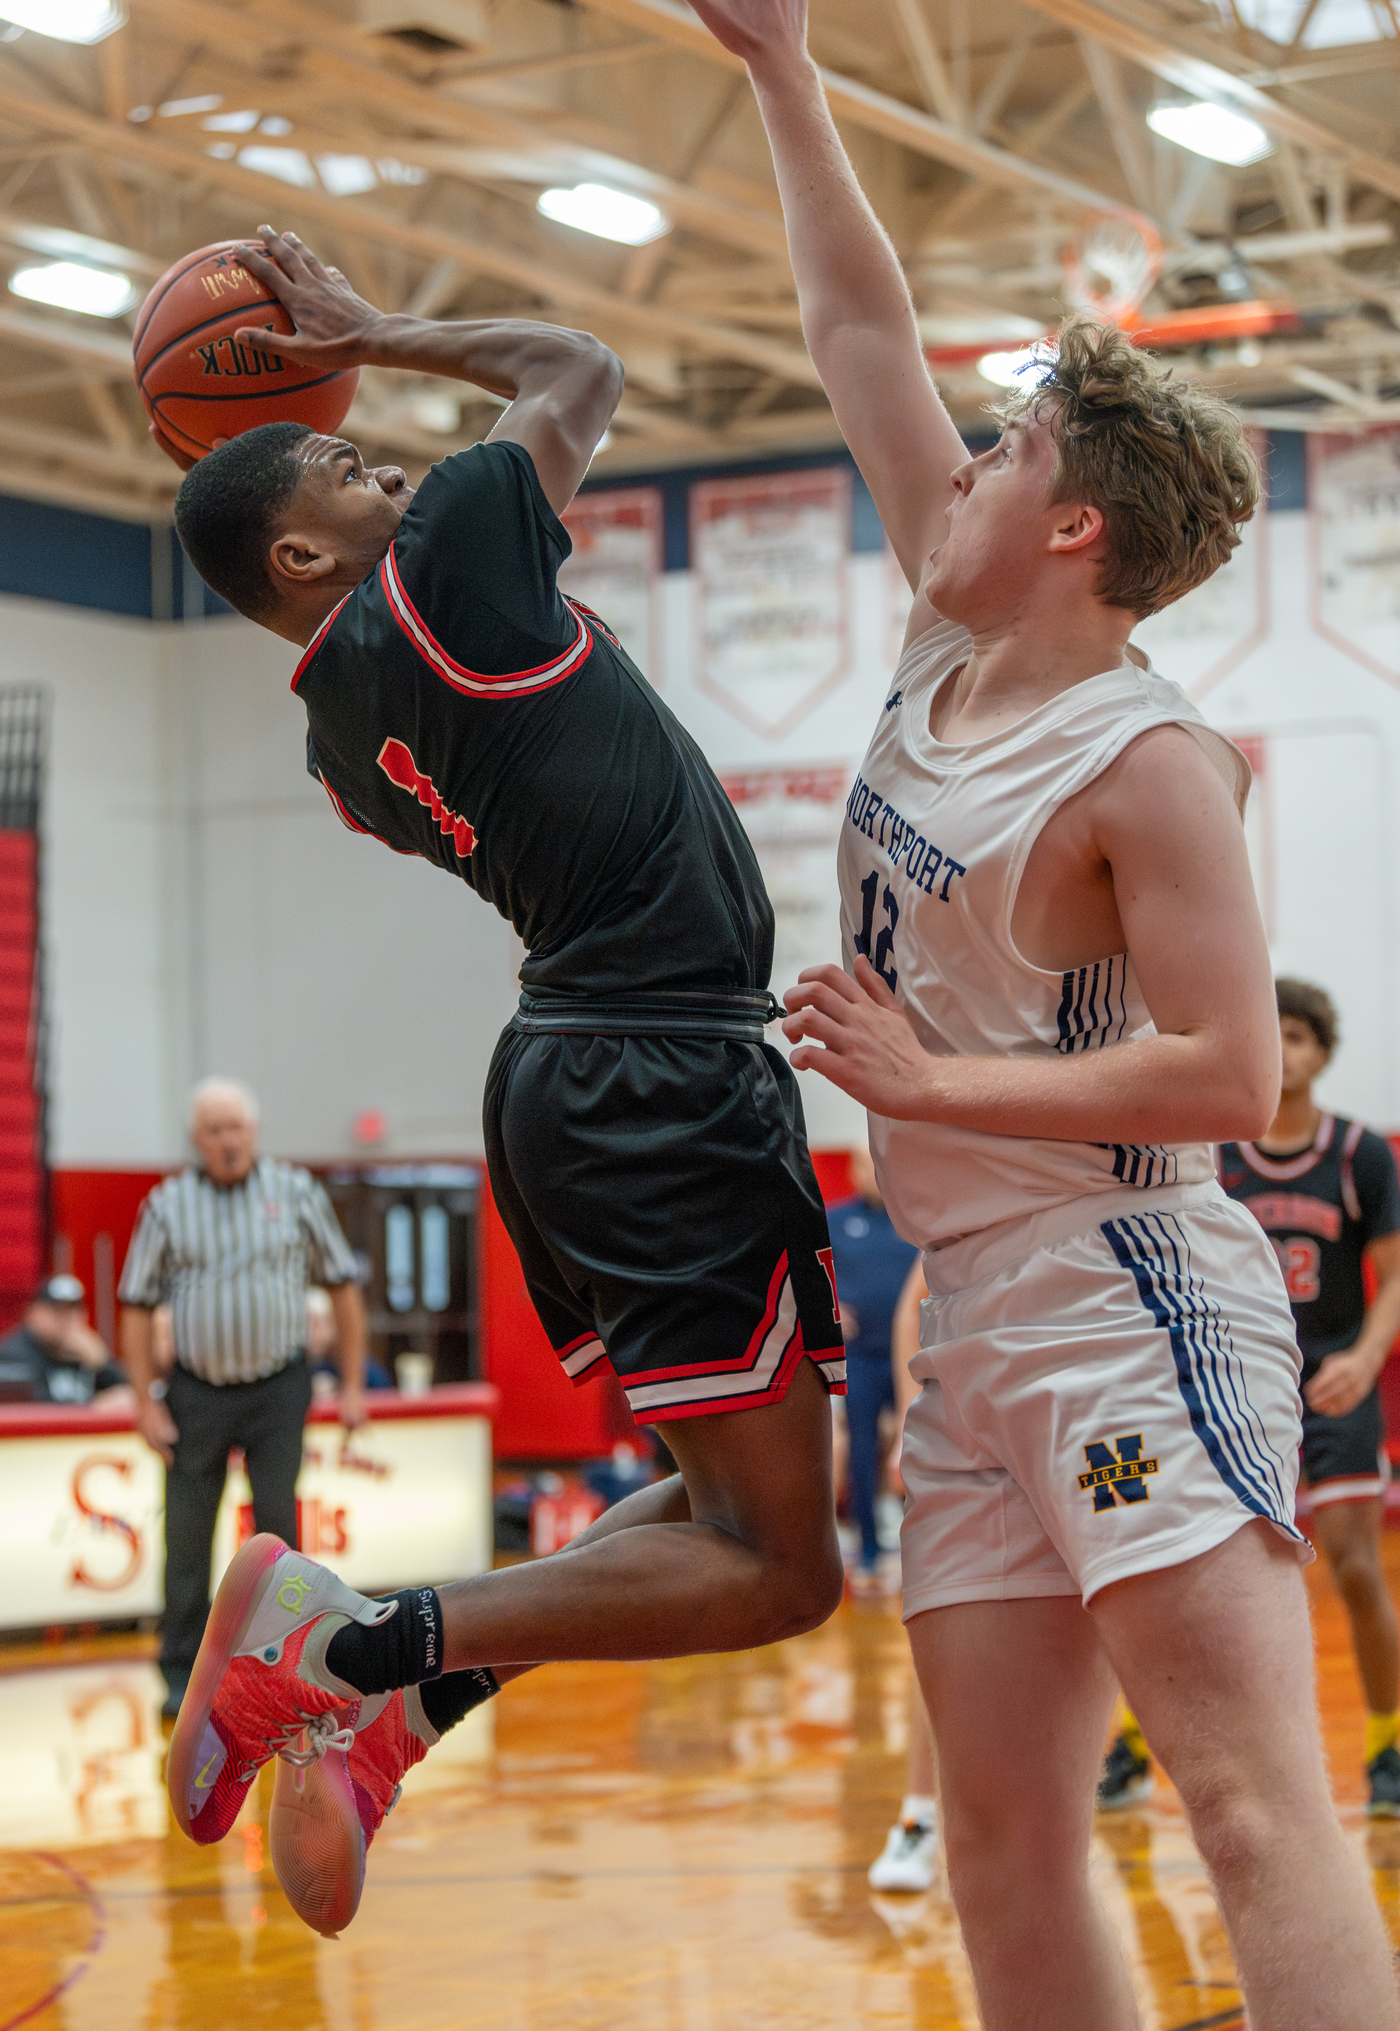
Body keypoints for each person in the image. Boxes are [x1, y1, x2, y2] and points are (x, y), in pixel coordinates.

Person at [684, 5, 1400, 2028]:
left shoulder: (1151, 758)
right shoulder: (945, 623)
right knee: (1001, 1832)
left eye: (1008, 454)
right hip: (966, 1297)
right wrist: (785, 71)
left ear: (1073, 527)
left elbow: (1238, 1074)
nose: (964, 461)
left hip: (1129, 1277)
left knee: (1251, 1812)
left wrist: (936, 1074)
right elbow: (857, 337)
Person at [161, 227, 846, 1937]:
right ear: (308, 550)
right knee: (783, 1570)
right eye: (344, 457)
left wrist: (344, 388)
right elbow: (578, 373)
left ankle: (394, 1711)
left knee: (714, 1510)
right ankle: (344, 1642)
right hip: (655, 1072)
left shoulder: (338, 739)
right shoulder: (449, 561)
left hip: (582, 1071)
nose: (383, 449)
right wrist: (376, 331)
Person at [117, 1077, 371, 1720]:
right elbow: (137, 1306)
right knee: (187, 1536)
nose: (227, 1141)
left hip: (279, 1388)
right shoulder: (166, 1204)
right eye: (214, 1131)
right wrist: (145, 1403)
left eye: (236, 1128)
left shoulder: (296, 1192)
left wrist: (353, 1384)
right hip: (195, 1393)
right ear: (195, 1140)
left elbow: (342, 1287)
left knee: (279, 1536)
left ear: (254, 1133)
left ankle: (287, 1666)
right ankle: (181, 1675)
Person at [1218, 979, 1400, 1807]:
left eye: (1300, 1036)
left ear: (1323, 1052)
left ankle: (1389, 1748)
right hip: (1243, 1378)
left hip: (1333, 1371)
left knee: (1358, 1568)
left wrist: (1366, 1357)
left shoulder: (1361, 1152)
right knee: (1200, 1578)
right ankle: (1136, 1746)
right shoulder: (1214, 1155)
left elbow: (1394, 1277)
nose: (1286, 1050)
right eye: (1273, 1033)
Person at [869, 1253, 940, 1894]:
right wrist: (913, 1418)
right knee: (939, 1630)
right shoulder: (969, 1198)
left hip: (1075, 1435)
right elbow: (912, 1304)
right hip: (965, 1440)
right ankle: (921, 1813)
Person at [828, 1144, 917, 1584]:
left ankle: (920, 1545)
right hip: (859, 1356)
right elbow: (807, 1273)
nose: (874, 1173)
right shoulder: (837, 1220)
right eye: (866, 1165)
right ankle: (868, 1548)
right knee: (860, 1448)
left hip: (911, 1355)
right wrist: (831, 1307)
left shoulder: (915, 1220)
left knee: (920, 1446)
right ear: (853, 1171)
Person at [0, 1273, 131, 1406]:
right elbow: (36, 1414)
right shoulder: (12, 1356)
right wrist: (93, 1409)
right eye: (58, 1312)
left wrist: (102, 1365)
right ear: (33, 1313)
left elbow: (126, 1394)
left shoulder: (84, 1351)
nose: (66, 1321)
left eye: (73, 1312)